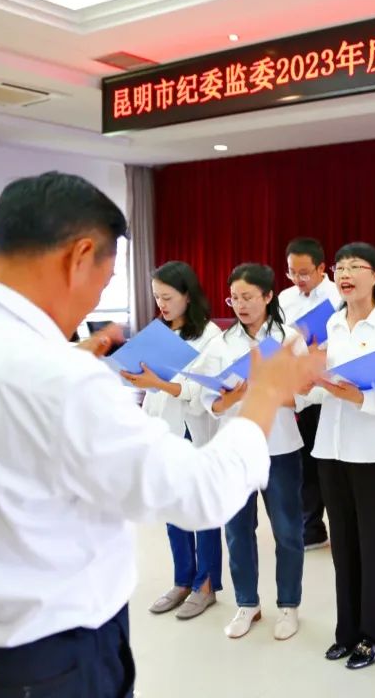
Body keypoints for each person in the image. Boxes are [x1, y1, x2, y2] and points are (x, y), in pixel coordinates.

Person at [0, 171, 324, 697]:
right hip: (46, 667)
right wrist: (265, 394)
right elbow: (200, 494)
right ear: (79, 256)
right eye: (104, 278)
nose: (98, 296)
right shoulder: (58, 380)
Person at [310, 241, 375, 670]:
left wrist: (358, 396)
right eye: (340, 267)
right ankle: (348, 631)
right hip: (332, 445)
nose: (345, 273)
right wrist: (308, 382)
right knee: (344, 544)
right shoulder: (334, 321)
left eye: (355, 266)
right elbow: (327, 381)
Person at [200, 263, 309, 642]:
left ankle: (289, 605)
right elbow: (210, 403)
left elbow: (305, 397)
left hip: (280, 447)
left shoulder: (288, 338)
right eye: (234, 298)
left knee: (288, 530)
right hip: (235, 449)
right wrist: (235, 396)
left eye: (248, 297)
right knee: (237, 531)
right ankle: (247, 603)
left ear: (268, 296)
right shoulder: (221, 343)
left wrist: (271, 388)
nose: (240, 305)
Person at [120, 261, 224, 621]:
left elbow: (199, 392)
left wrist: (158, 383)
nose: (160, 304)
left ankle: (205, 585)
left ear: (187, 296)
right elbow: (152, 392)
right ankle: (182, 580)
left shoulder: (210, 336)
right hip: (163, 432)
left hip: (194, 430)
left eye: (167, 297)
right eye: (156, 297)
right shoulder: (159, 333)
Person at [279, 237, 341, 552]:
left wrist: (321, 351)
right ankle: (312, 527)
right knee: (304, 461)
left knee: (330, 462)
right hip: (299, 390)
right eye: (292, 272)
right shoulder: (284, 298)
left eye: (304, 272)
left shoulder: (338, 295)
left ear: (321, 268)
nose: (297, 279)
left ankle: (340, 525)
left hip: (331, 388)